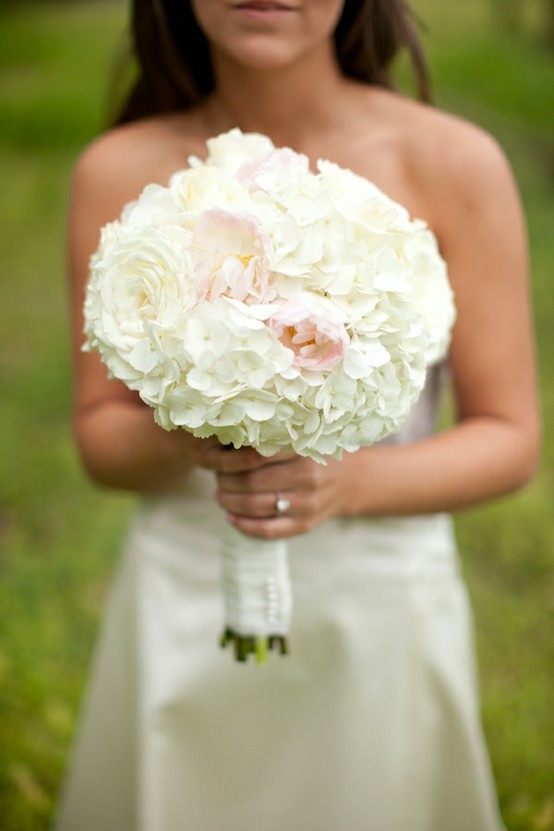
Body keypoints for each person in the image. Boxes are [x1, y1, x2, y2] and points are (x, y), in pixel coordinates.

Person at [54, 1, 540, 829]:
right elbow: (102, 440)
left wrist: (345, 482)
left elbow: (511, 438)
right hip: (184, 582)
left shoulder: (451, 161)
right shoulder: (119, 167)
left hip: (379, 597)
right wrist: (188, 433)